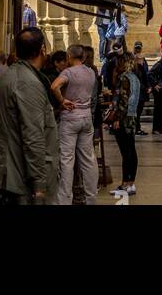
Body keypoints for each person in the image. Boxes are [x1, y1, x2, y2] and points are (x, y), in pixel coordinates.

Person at [0, 27, 58, 205]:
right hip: (20, 178)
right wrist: (39, 186)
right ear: (42, 50)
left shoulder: (8, 76)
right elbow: (33, 137)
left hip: (9, 172)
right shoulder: (27, 83)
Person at [51, 43, 99, 206]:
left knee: (66, 160)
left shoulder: (68, 72)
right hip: (86, 117)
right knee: (88, 160)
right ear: (84, 57)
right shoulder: (91, 72)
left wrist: (62, 100)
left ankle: (64, 199)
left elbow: (55, 86)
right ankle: (91, 197)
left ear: (69, 56)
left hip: (70, 117)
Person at [108, 53, 140, 198]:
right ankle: (130, 183)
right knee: (131, 150)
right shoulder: (135, 78)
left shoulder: (123, 78)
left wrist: (117, 118)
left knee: (125, 152)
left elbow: (123, 100)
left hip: (123, 118)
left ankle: (125, 184)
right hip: (132, 117)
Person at [132, 42, 150, 133]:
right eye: (136, 49)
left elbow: (145, 76)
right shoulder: (133, 67)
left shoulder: (143, 65)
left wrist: (147, 86)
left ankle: (137, 128)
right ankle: (136, 128)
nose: (138, 50)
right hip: (137, 92)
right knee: (136, 112)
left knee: (138, 112)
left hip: (141, 92)